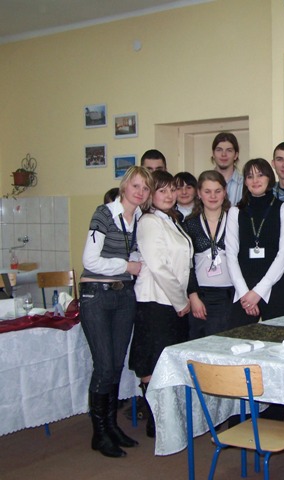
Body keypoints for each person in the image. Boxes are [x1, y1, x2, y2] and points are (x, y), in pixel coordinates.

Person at [80, 166, 152, 458]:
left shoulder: (140, 219)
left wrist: (133, 262)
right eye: (136, 186)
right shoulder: (104, 214)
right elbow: (90, 260)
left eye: (145, 188)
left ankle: (111, 426)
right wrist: (126, 266)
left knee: (117, 365)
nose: (140, 192)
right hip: (96, 294)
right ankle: (99, 433)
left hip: (124, 296)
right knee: (104, 366)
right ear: (124, 187)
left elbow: (135, 254)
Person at [129, 171, 193, 438]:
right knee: (153, 361)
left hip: (171, 301)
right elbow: (158, 267)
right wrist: (181, 300)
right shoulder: (149, 221)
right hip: (156, 301)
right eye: (162, 190)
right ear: (151, 195)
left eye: (172, 190)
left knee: (165, 362)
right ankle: (157, 421)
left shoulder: (171, 219)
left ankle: (167, 419)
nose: (169, 195)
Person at [226, 158, 284, 326]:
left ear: (269, 178)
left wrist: (258, 292)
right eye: (250, 176)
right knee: (237, 340)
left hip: (276, 287)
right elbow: (231, 255)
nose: (255, 180)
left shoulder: (283, 209)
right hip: (243, 290)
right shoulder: (235, 212)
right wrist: (245, 294)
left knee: (278, 340)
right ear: (245, 182)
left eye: (260, 175)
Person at [182, 170, 234, 339]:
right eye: (207, 191)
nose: (213, 196)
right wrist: (193, 296)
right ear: (199, 193)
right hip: (201, 296)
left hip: (230, 295)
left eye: (217, 191)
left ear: (224, 192)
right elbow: (186, 264)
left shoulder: (235, 220)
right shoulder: (189, 224)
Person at [211, 132, 243, 206]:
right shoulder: (202, 183)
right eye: (219, 150)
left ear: (236, 155)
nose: (223, 154)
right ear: (213, 154)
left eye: (229, 150)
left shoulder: (245, 184)